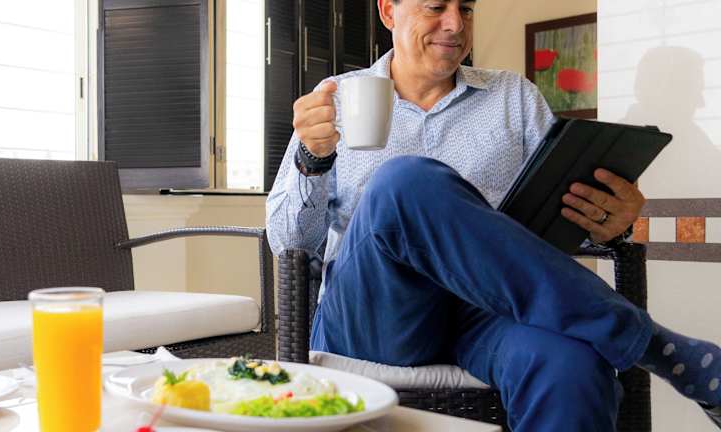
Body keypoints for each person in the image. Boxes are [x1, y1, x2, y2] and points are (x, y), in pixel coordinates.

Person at [266, 0, 721, 430]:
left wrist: (612, 224)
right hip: (375, 312)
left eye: (465, 9)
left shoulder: (513, 97)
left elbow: (555, 215)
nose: (455, 24)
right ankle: (654, 344)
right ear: (388, 10)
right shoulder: (334, 100)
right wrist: (312, 159)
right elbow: (288, 242)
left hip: (488, 313)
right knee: (403, 183)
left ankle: (646, 345)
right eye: (436, 7)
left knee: (572, 365)